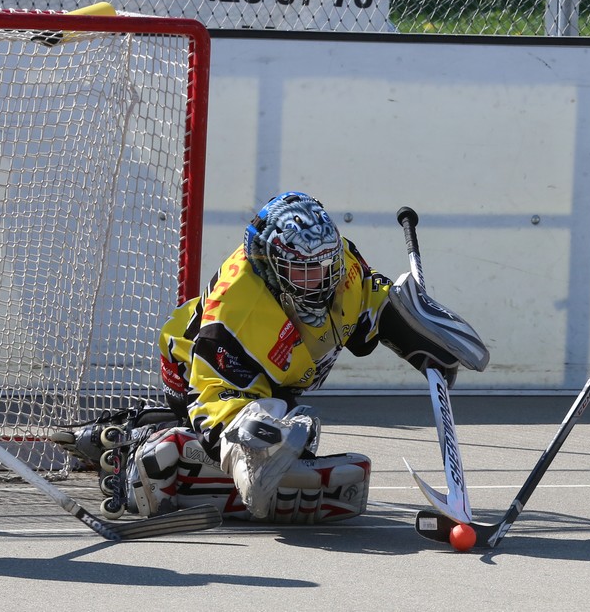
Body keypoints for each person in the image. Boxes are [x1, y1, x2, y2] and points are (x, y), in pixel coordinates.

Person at [55, 191, 488, 523]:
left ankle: (158, 440)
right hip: (200, 368)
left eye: (326, 265)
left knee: (293, 429)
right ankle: (147, 453)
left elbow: (369, 305)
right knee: (272, 426)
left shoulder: (339, 261)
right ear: (270, 265)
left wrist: (412, 329)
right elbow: (211, 394)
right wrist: (247, 446)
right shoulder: (237, 307)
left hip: (279, 379)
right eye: (304, 270)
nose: (321, 279)